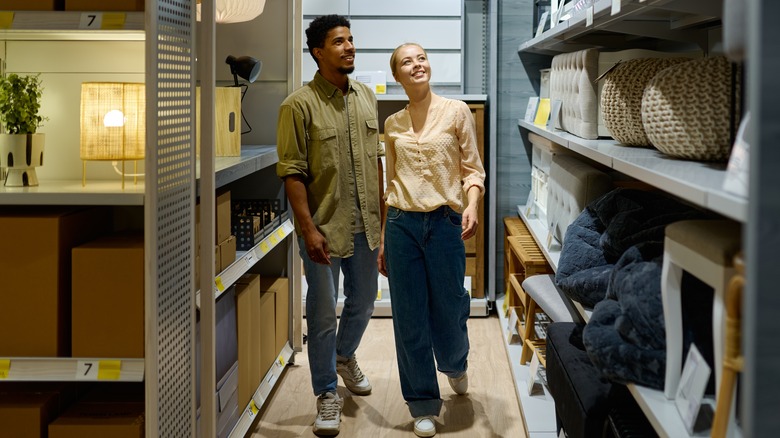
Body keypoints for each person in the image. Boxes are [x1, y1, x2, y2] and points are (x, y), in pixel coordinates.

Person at [276, 14, 384, 437]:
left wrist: (382, 218)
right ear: (318, 52)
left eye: (351, 40)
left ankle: (344, 357)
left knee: (365, 301)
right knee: (322, 312)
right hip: (322, 226)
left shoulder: (365, 98)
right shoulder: (297, 105)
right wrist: (307, 229)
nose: (349, 47)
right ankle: (326, 393)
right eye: (339, 42)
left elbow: (375, 162)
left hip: (364, 224)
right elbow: (292, 172)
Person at [378, 42, 486, 437]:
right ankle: (422, 401)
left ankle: (456, 362)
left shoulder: (455, 111)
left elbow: (473, 169)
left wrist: (471, 205)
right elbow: (390, 184)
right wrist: (385, 240)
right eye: (407, 61)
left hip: (444, 223)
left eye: (421, 57)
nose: (417, 64)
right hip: (402, 225)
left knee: (450, 305)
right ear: (398, 76)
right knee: (408, 316)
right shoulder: (392, 125)